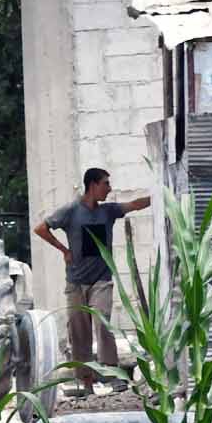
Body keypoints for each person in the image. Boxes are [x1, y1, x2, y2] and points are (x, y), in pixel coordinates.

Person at [36, 168, 150, 391]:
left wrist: (157, 194)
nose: (109, 188)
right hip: (77, 282)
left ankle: (113, 374)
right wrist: (64, 250)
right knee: (79, 331)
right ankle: (85, 382)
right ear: (92, 185)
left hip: (101, 280)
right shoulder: (71, 211)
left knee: (103, 322)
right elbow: (41, 228)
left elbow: (134, 204)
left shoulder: (108, 212)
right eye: (106, 184)